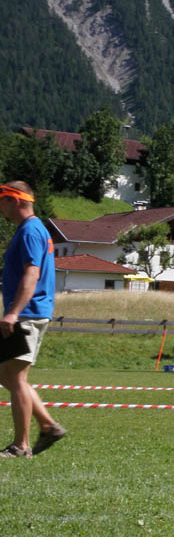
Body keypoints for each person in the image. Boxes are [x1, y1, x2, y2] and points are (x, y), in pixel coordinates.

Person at [0, 181, 66, 458]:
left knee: (15, 377)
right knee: (7, 374)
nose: (0, 208)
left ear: (14, 200)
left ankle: (21, 445)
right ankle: (48, 426)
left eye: (1, 201)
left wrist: (13, 312)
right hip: (29, 312)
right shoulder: (32, 229)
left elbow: (32, 273)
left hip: (28, 313)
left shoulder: (30, 230)